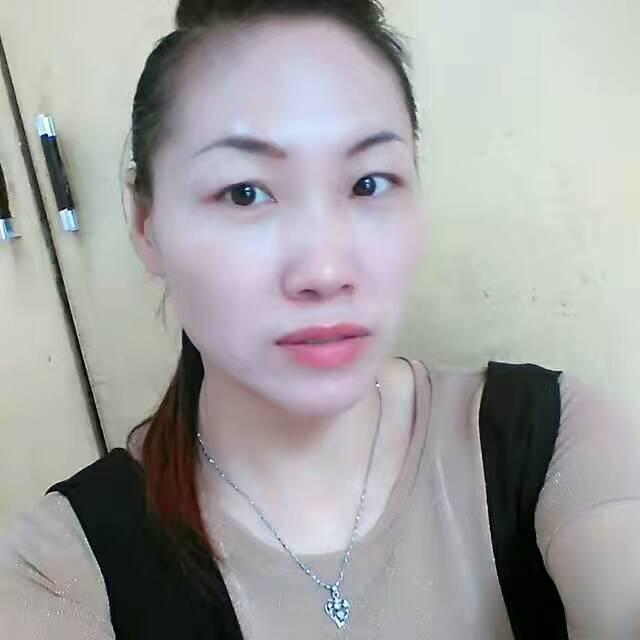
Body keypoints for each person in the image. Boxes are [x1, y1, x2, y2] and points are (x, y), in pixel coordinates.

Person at [1, 1, 639, 638]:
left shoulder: (550, 440)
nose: (326, 270)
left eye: (368, 184)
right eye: (245, 192)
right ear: (148, 225)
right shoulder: (60, 572)